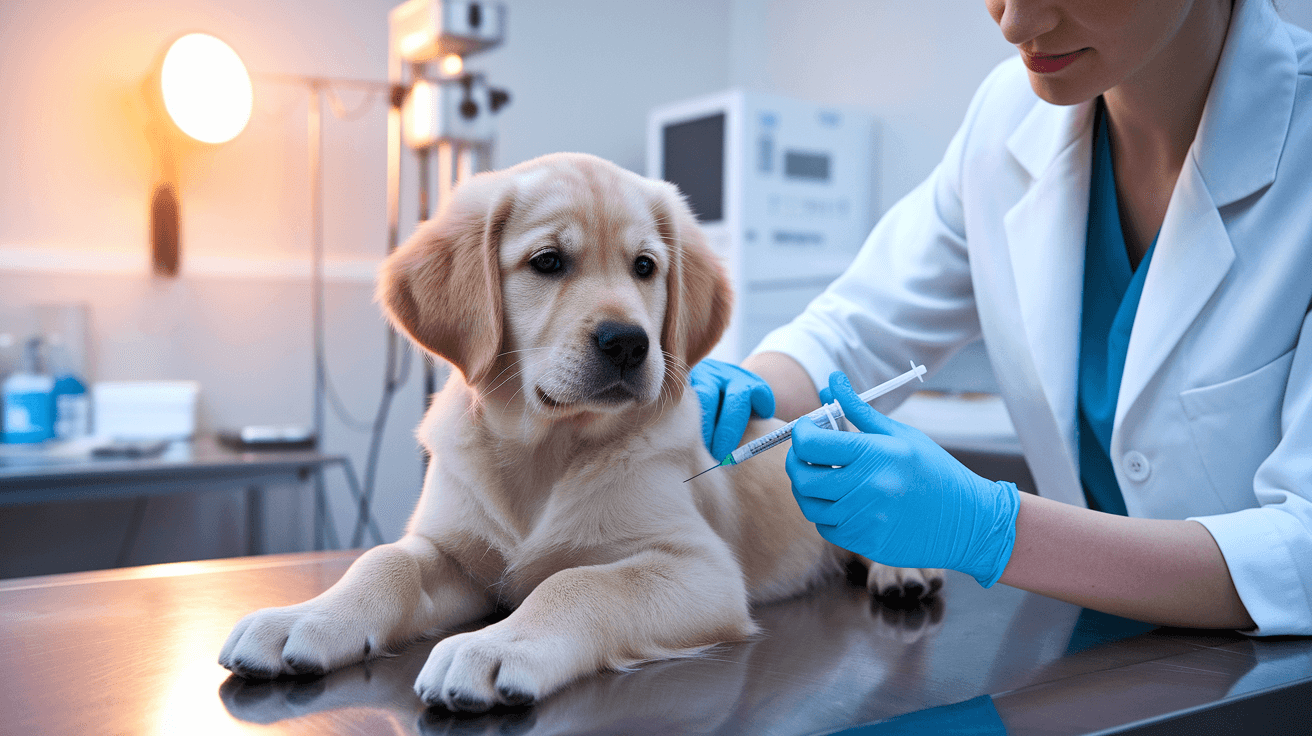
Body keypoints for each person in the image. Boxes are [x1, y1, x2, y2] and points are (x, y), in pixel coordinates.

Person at [692, 0, 1312, 635]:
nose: (1016, 23)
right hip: (1093, 650)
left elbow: (1303, 552)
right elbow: (854, 331)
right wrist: (746, 390)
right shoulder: (1007, 116)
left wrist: (992, 530)